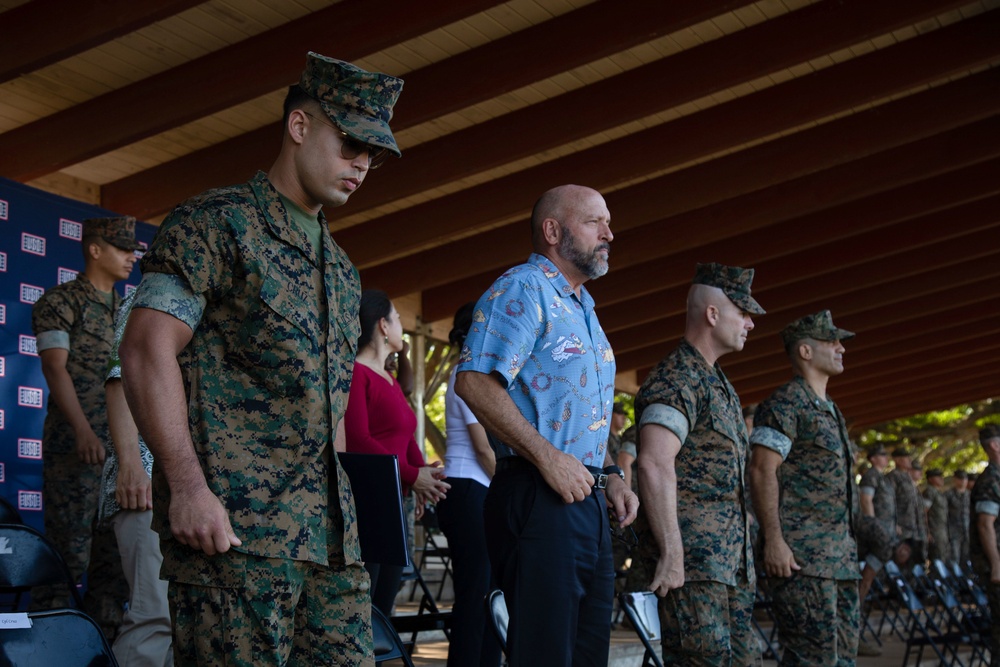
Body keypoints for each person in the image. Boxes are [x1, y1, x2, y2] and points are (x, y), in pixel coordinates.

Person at [118, 53, 404, 665]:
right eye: (351, 141)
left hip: (332, 545)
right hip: (234, 539)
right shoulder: (217, 225)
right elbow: (145, 349)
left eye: (374, 154)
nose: (362, 163)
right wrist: (188, 488)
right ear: (299, 126)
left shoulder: (343, 269)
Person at [455, 184, 639, 667]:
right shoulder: (523, 287)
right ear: (553, 230)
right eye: (595, 222)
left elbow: (573, 413)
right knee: (544, 654)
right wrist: (548, 456)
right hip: (537, 494)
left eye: (608, 222)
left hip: (586, 500)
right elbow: (473, 383)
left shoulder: (583, 306)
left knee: (586, 654)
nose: (609, 234)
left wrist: (610, 475)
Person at [635, 262, 764, 666]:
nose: (750, 323)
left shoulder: (717, 382)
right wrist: (673, 555)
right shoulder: (678, 377)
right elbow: (653, 463)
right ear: (712, 314)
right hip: (695, 566)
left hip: (730, 566)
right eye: (742, 312)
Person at [31, 215, 137, 636]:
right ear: (95, 250)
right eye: (122, 248)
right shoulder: (60, 302)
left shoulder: (130, 309)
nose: (132, 257)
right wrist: (83, 430)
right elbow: (55, 370)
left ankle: (101, 650)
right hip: (76, 450)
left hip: (121, 454)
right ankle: (43, 648)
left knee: (113, 566)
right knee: (66, 559)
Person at [749, 310, 860, 665]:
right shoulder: (787, 403)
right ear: (806, 351)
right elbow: (762, 470)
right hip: (804, 562)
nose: (841, 347)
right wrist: (775, 540)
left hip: (839, 561)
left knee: (843, 660)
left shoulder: (830, 409)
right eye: (832, 341)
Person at [344, 289, 450, 615]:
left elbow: (405, 436)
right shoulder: (355, 374)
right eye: (398, 318)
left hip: (397, 498)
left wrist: (424, 473)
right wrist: (411, 475)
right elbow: (358, 439)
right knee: (370, 599)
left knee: (387, 597)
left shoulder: (388, 378)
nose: (402, 325)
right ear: (383, 326)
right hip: (372, 501)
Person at [98, 291, 173, 666]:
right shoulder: (154, 294)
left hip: (193, 492)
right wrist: (131, 465)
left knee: (186, 620)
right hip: (145, 487)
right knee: (154, 617)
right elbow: (119, 381)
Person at [434, 301, 501, 667]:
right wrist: (509, 489)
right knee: (475, 596)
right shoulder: (466, 374)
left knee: (489, 594)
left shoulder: (477, 372)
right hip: (469, 487)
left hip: (477, 490)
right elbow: (483, 449)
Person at [969, 424, 1000, 665]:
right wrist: (996, 563)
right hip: (996, 566)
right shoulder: (990, 480)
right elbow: (984, 524)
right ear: (995, 446)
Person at [888, 447, 926, 567]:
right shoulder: (893, 477)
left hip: (914, 528)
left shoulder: (909, 479)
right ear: (897, 460)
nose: (909, 460)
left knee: (913, 562)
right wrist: (894, 523)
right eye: (906, 458)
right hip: (902, 527)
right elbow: (889, 501)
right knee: (901, 559)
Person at [859, 444, 897, 540]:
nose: (886, 457)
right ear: (873, 459)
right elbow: (866, 501)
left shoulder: (883, 477)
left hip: (888, 527)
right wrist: (873, 526)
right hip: (878, 527)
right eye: (882, 455)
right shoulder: (871, 475)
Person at [923, 468, 950, 564]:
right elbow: (924, 511)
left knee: (944, 558)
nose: (941, 479)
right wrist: (927, 532)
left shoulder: (939, 493)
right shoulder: (930, 492)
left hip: (942, 530)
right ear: (930, 479)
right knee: (937, 560)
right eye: (938, 477)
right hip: (935, 531)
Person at [945, 470, 970, 565]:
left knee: (967, 558)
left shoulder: (970, 495)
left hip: (967, 531)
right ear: (955, 479)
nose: (963, 481)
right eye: (960, 478)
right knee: (954, 558)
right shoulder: (948, 494)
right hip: (953, 532)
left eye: (965, 478)